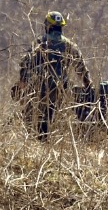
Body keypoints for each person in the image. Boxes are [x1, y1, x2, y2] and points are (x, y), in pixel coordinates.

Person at [15, 11, 92, 141]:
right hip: (61, 90)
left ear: (47, 26)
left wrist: (22, 84)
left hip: (38, 89)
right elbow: (82, 70)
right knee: (55, 120)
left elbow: (25, 65)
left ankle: (37, 144)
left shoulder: (39, 43)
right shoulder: (69, 45)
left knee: (32, 120)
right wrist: (89, 87)